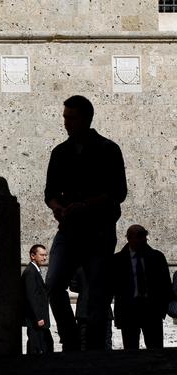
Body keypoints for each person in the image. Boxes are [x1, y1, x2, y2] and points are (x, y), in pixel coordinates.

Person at [44, 95, 127, 351]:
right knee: (54, 284)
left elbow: (119, 192)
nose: (66, 122)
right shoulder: (60, 152)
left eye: (71, 117)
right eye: (65, 117)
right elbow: (49, 193)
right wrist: (56, 206)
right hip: (68, 230)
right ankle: (70, 338)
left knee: (97, 290)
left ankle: (93, 344)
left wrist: (87, 205)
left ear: (86, 119)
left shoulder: (108, 149)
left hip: (98, 231)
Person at [112, 225, 171, 349]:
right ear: (129, 239)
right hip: (129, 311)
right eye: (138, 237)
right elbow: (113, 287)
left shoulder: (157, 257)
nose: (142, 240)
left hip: (151, 309)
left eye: (143, 236)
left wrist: (161, 309)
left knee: (155, 349)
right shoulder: (118, 260)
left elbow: (165, 284)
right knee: (130, 349)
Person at [21, 244, 54, 354]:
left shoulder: (35, 271)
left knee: (45, 345)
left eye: (45, 255)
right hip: (36, 320)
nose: (44, 258)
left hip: (39, 320)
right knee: (36, 348)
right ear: (33, 256)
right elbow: (31, 297)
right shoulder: (30, 272)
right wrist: (38, 317)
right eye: (42, 255)